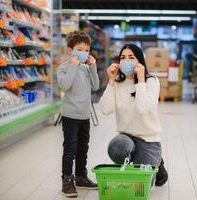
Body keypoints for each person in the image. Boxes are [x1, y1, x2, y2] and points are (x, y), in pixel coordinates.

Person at [99, 44, 168, 186]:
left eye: (131, 57)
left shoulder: (151, 82)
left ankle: (158, 163)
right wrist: (111, 81)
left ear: (139, 61)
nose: (126, 61)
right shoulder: (118, 82)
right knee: (117, 148)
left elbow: (142, 108)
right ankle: (136, 159)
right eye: (123, 58)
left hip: (148, 140)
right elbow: (105, 109)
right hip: (127, 137)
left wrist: (140, 80)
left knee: (139, 186)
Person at [57, 31, 99, 197]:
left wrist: (93, 66)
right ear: (70, 50)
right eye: (80, 49)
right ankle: (67, 180)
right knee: (70, 148)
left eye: (87, 50)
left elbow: (96, 86)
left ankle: (81, 176)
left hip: (84, 116)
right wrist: (74, 65)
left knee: (83, 148)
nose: (84, 53)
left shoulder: (86, 68)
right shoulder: (64, 67)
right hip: (70, 116)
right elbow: (65, 86)